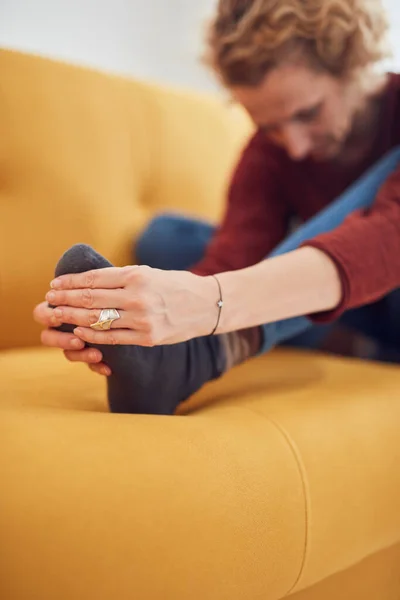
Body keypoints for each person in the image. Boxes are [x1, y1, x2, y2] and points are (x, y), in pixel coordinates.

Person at [34, 0, 400, 415]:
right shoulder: (268, 153)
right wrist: (126, 318)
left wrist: (210, 302)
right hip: (345, 311)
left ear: (352, 65)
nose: (294, 146)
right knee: (164, 239)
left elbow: (388, 235)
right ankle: (357, 349)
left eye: (308, 114)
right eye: (270, 126)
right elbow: (234, 255)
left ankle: (208, 355)